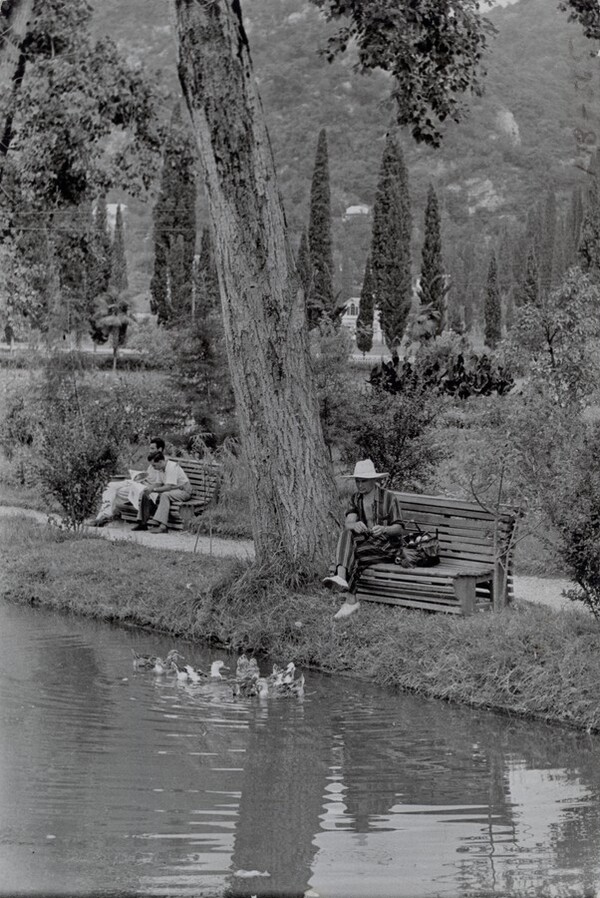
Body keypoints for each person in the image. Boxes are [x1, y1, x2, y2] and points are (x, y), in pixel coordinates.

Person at [323, 459, 405, 620]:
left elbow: (400, 528)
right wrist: (355, 525)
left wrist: (385, 529)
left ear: (374, 480)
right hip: (367, 544)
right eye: (357, 481)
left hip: (388, 547)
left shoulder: (389, 498)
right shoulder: (356, 498)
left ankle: (350, 599)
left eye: (364, 481)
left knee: (356, 554)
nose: (360, 485)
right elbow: (348, 524)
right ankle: (341, 578)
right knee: (347, 534)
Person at [92, 437, 165, 527]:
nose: (150, 451)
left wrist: (145, 483)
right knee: (110, 487)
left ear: (160, 449)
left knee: (115, 490)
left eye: (152, 448)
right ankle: (104, 516)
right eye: (150, 448)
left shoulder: (162, 463)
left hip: (147, 489)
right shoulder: (152, 461)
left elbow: (160, 482)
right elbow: (149, 476)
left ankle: (105, 516)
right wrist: (140, 476)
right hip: (139, 484)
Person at [136, 452, 192, 533]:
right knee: (145, 493)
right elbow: (158, 483)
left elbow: (168, 487)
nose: (153, 467)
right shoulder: (160, 468)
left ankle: (163, 526)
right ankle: (142, 522)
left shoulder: (171, 467)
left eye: (154, 465)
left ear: (161, 462)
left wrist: (153, 490)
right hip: (173, 490)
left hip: (183, 491)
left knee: (165, 495)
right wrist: (149, 489)